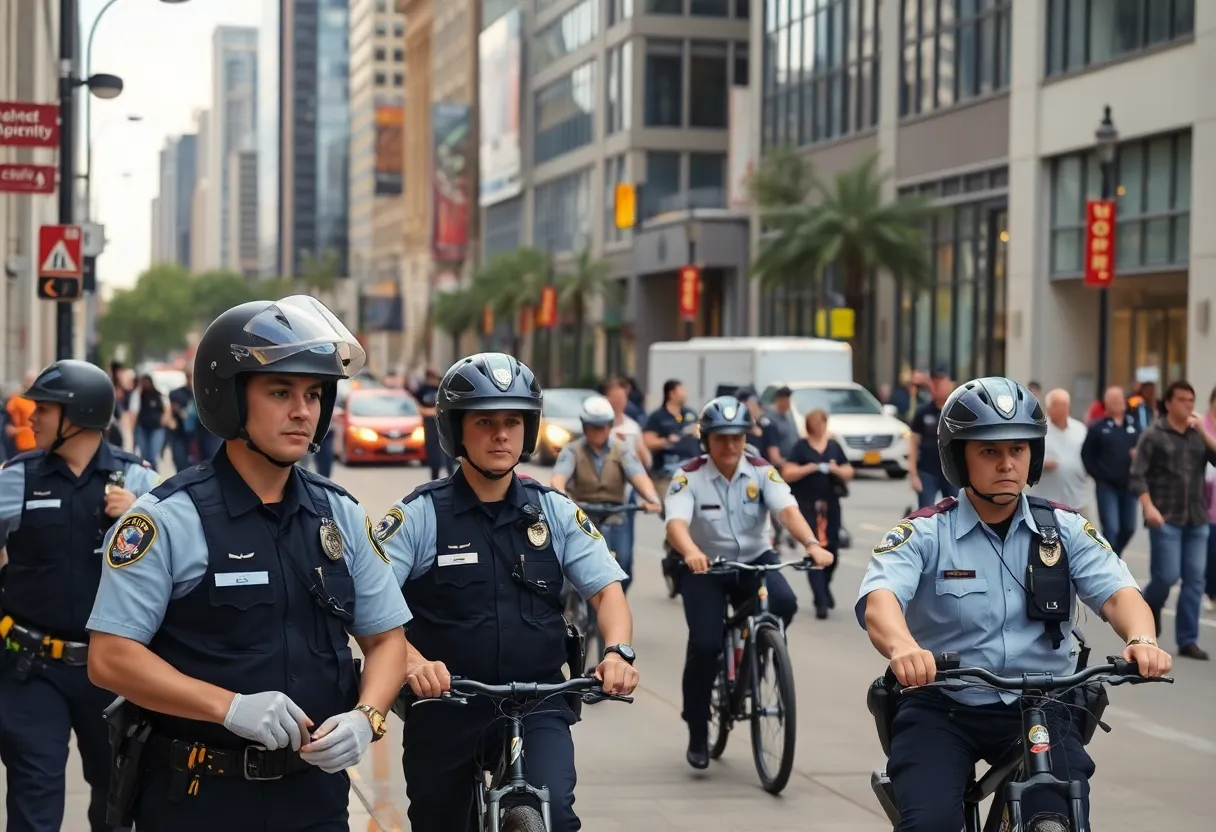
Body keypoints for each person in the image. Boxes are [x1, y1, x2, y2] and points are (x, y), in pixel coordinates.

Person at [85, 296, 413, 831]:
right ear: (229, 398)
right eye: (280, 392)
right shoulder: (168, 519)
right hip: (199, 797)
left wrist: (368, 715)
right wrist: (228, 706)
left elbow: (386, 640)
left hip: (314, 800)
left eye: (314, 394)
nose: (302, 411)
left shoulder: (340, 515)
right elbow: (111, 657)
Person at [856, 376, 1172, 831]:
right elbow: (880, 601)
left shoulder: (1063, 529)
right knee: (931, 824)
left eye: (1018, 450)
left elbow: (1120, 592)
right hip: (944, 705)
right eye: (989, 451)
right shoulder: (925, 531)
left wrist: (1142, 639)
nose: (1007, 464)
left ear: (1033, 455)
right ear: (959, 458)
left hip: (1042, 705)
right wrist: (904, 648)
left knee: (1059, 812)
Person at [374, 352, 640, 832]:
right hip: (445, 704)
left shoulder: (554, 511)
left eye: (513, 421)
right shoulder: (419, 515)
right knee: (439, 822)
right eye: (485, 421)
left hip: (537, 698)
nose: (501, 434)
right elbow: (372, 607)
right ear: (456, 431)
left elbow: (606, 591)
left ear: (529, 429)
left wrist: (619, 652)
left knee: (555, 815)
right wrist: (413, 663)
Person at [0, 359, 161, 832]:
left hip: (111, 672)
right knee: (34, 791)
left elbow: (176, 569)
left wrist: (138, 519)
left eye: (42, 410)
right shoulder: (18, 477)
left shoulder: (138, 482)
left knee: (116, 797)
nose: (31, 419)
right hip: (29, 666)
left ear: (77, 416)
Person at [663, 395, 833, 770]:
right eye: (721, 438)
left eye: (737, 437)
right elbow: (675, 522)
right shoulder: (688, 474)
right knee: (706, 645)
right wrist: (691, 550)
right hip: (704, 565)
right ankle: (696, 727)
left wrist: (811, 544)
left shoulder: (761, 470)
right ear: (706, 440)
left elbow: (787, 510)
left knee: (785, 602)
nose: (730, 446)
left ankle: (756, 648)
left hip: (755, 559)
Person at [1129, 380, 1216, 661]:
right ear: (1169, 403)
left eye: (1191, 400)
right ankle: (1149, 602)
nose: (1188, 405)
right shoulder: (1153, 435)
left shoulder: (1196, 435)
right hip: (1165, 516)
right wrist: (1148, 507)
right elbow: (1137, 475)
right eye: (1182, 400)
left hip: (1197, 517)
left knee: (1195, 580)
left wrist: (1203, 430)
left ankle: (1188, 640)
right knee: (1166, 576)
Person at [550, 394, 663, 593]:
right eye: (593, 426)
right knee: (569, 571)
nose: (599, 431)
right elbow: (559, 478)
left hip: (615, 513)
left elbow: (639, 477)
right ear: (585, 426)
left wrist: (652, 498)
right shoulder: (571, 451)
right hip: (582, 514)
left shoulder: (623, 450)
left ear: (610, 426)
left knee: (625, 566)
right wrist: (560, 494)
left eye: (603, 426)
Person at [781, 408, 854, 619]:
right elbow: (788, 472)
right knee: (813, 549)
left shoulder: (833, 446)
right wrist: (810, 468)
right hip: (807, 505)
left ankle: (825, 586)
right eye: (815, 423)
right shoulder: (801, 447)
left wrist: (835, 470)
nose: (819, 427)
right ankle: (820, 599)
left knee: (832, 549)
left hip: (830, 505)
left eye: (821, 422)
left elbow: (848, 471)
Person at [1081, 385, 1141, 557]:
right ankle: (1109, 559)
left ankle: (1114, 556)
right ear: (1106, 404)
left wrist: (1137, 454)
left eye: (1118, 399)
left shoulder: (1134, 426)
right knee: (1112, 528)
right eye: (1111, 400)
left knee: (1129, 527)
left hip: (1129, 485)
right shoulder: (1097, 428)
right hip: (1107, 485)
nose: (1116, 403)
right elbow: (1087, 455)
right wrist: (1098, 476)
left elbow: (1144, 449)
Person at [1031, 388, 1091, 516]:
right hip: (1047, 500)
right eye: (1056, 404)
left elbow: (1090, 454)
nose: (1061, 408)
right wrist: (1041, 464)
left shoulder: (1080, 429)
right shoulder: (1038, 430)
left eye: (1064, 404)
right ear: (1048, 407)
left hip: (1076, 498)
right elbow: (1027, 458)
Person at [908, 367, 958, 510]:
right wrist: (913, 474)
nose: (938, 387)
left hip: (952, 472)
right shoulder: (923, 412)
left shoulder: (957, 411)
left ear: (950, 384)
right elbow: (913, 442)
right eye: (934, 383)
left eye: (941, 383)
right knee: (925, 511)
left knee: (956, 511)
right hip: (927, 471)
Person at [643, 379, 700, 496]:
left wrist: (698, 432)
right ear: (671, 393)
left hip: (692, 474)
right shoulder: (658, 417)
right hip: (666, 476)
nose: (685, 393)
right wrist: (666, 441)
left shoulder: (690, 414)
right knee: (671, 509)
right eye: (682, 390)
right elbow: (647, 442)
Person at [415, 366, 453, 480]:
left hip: (443, 423)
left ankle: (452, 475)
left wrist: (434, 411)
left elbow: (447, 405)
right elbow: (416, 404)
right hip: (429, 425)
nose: (433, 381)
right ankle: (434, 477)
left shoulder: (443, 389)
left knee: (447, 452)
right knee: (432, 452)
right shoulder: (423, 390)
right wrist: (427, 411)